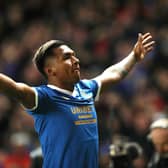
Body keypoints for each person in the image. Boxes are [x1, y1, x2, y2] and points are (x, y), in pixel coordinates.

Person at [0, 32, 154, 168]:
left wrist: (133, 57)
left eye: (74, 55)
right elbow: (16, 88)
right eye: (67, 57)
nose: (76, 60)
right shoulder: (44, 98)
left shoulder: (85, 89)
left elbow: (113, 74)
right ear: (50, 70)